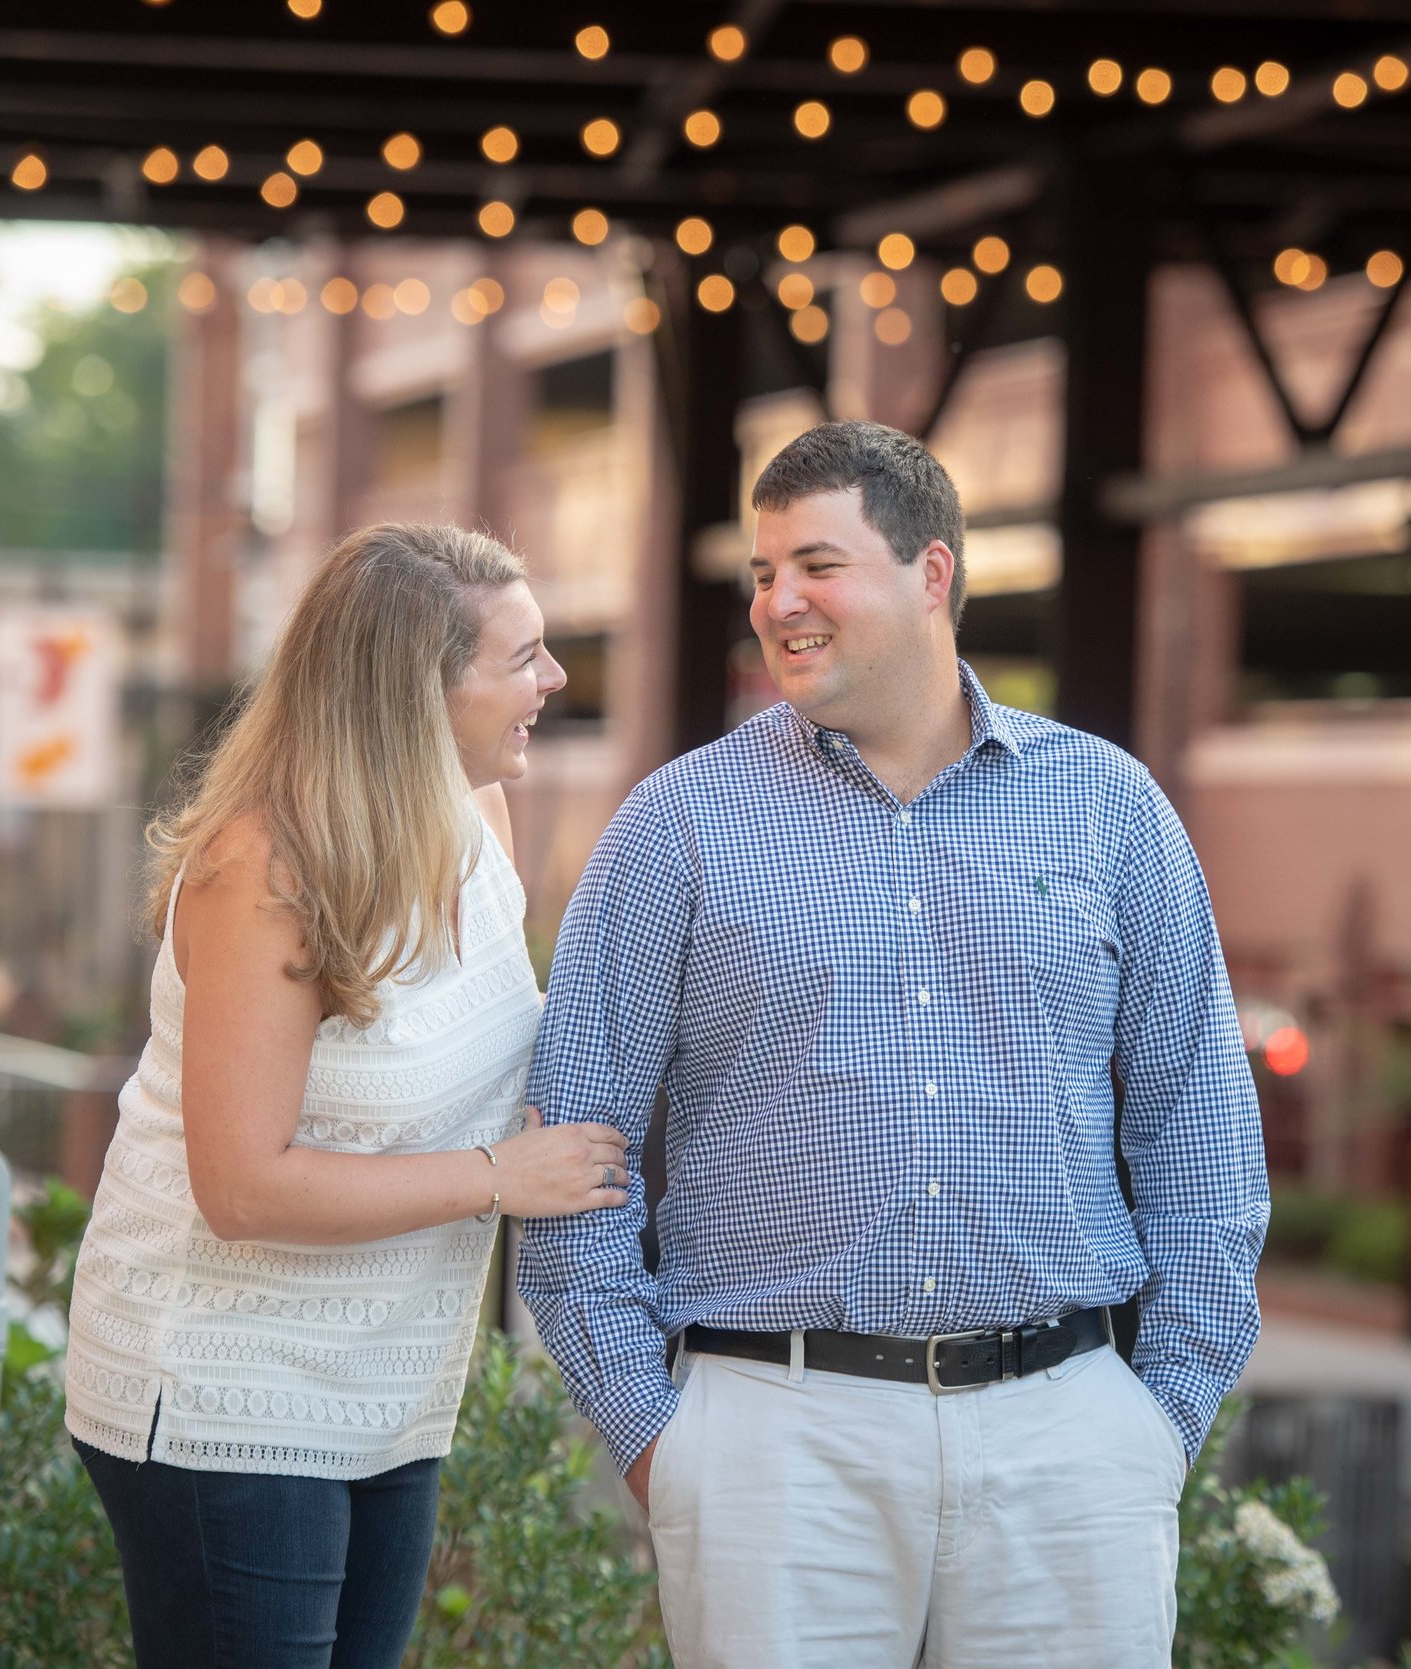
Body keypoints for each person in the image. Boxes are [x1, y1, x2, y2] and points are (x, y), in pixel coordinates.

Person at [517, 421, 1270, 1668]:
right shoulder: (678, 824)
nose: (778, 603)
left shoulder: (1107, 806)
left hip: (1068, 1436)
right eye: (762, 576)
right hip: (771, 1438)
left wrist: (1155, 1422)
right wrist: (660, 1441)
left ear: (932, 573)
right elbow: (572, 1141)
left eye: (817, 563)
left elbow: (1198, 1124)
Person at [63, 523, 630, 1669]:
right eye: (521, 658)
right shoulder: (263, 870)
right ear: (417, 689)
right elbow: (240, 1185)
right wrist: (491, 1180)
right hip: (223, 1388)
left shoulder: (479, 819)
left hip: (390, 1383)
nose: (555, 681)